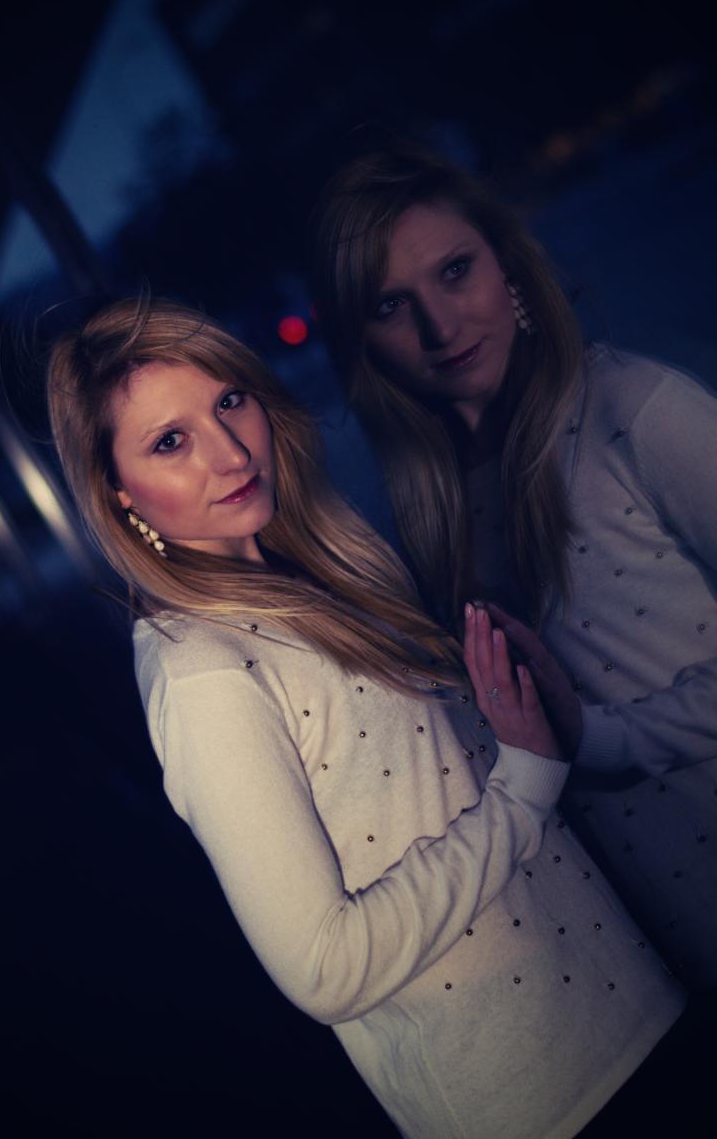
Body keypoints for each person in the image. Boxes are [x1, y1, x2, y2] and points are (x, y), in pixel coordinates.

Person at [46, 297, 684, 1139]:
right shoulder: (202, 671)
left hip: (635, 1005)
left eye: (229, 401)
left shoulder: (317, 571)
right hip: (546, 1098)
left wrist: (535, 721)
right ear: (118, 493)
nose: (230, 452)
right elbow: (324, 967)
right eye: (170, 442)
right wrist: (526, 785)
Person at [309, 141, 717, 991]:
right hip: (650, 948)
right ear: (363, 343)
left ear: (509, 268)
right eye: (391, 305)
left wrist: (597, 741)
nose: (440, 327)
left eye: (455, 271)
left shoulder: (636, 411)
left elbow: (574, 741)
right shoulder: (430, 516)